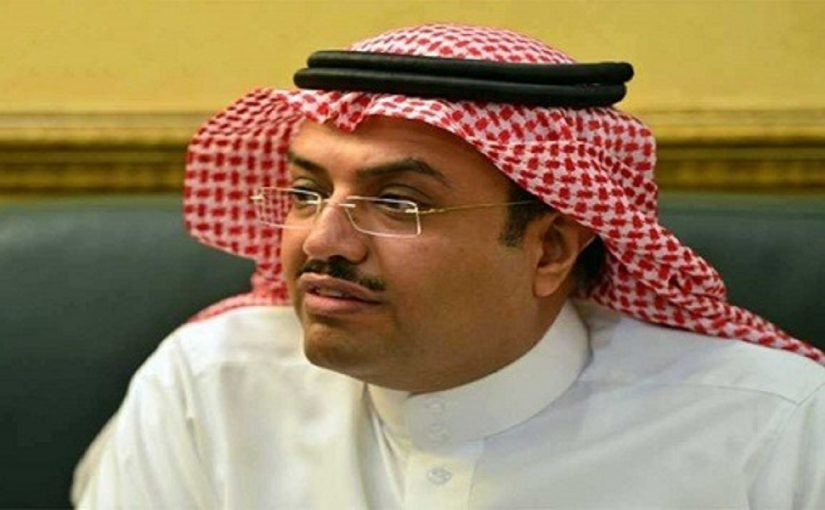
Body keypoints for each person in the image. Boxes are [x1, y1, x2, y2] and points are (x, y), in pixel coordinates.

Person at [74, 24, 825, 509]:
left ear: (550, 249)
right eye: (306, 193)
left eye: (398, 203)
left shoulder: (773, 425)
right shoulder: (210, 385)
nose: (325, 240)